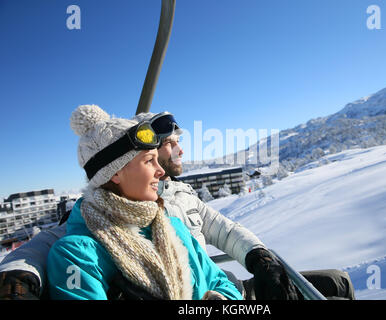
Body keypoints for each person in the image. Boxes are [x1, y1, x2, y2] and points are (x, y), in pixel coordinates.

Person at [0, 109, 355, 300]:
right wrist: (20, 273)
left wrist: (259, 257)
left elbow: (223, 235)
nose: (174, 155)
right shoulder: (87, 235)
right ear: (116, 173)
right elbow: (46, 245)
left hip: (214, 289)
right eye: (162, 149)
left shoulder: (171, 214)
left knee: (337, 285)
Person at [45, 104, 242, 300]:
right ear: (115, 173)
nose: (161, 171)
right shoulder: (77, 255)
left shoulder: (173, 227)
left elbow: (220, 282)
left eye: (157, 159)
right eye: (149, 161)